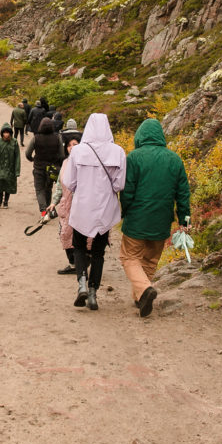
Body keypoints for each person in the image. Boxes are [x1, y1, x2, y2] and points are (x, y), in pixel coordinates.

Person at [120, 118, 191, 318]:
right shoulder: (175, 159)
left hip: (137, 218)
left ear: (140, 136)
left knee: (129, 257)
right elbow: (183, 194)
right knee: (150, 260)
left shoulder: (133, 157)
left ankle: (144, 290)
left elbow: (127, 191)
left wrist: (124, 212)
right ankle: (140, 298)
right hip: (162, 220)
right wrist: (184, 221)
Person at [64, 113, 126, 311]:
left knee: (79, 246)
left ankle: (81, 282)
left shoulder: (78, 151)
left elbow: (69, 182)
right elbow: (119, 184)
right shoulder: (118, 152)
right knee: (98, 252)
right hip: (105, 208)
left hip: (83, 206)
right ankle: (92, 292)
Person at [49, 133, 82, 274]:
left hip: (80, 205)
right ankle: (73, 263)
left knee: (81, 235)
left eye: (74, 144)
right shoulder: (65, 163)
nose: (71, 147)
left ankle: (83, 262)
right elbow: (59, 184)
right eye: (69, 145)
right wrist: (54, 202)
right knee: (64, 233)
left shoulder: (84, 162)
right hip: (66, 205)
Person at [24, 117, 64, 211]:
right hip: (52, 168)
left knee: (39, 190)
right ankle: (48, 209)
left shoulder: (36, 138)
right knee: (48, 189)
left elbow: (27, 153)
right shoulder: (57, 137)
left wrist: (32, 159)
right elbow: (62, 155)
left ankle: (43, 211)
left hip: (39, 168)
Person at [0, 124, 20, 208]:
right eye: (4, 132)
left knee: (8, 184)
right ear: (2, 133)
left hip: (11, 167)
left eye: (7, 132)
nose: (6, 134)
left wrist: (17, 170)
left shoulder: (14, 142)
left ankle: (6, 201)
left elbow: (17, 157)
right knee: (0, 183)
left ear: (10, 133)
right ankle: (0, 199)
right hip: (0, 167)